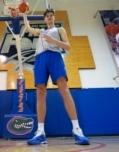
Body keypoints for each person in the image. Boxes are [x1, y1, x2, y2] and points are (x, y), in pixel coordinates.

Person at [22, 8, 90, 145]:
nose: (49, 17)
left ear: (54, 18)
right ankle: (40, 132)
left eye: (51, 15)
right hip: (40, 58)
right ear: (44, 19)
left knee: (64, 89)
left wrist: (53, 41)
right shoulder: (41, 32)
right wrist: (24, 14)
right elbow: (28, 28)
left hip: (55, 56)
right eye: (47, 16)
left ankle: (77, 130)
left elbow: (68, 46)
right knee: (40, 92)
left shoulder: (60, 30)